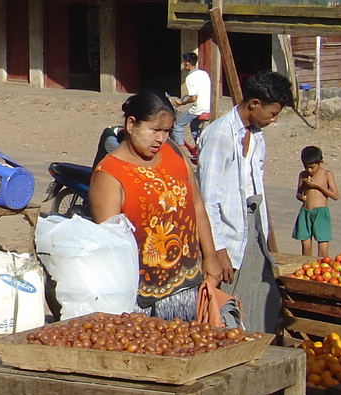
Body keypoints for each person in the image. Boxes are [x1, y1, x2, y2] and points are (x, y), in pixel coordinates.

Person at [89, 90, 222, 320]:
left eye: (166, 131)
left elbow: (197, 204)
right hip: (143, 300)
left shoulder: (175, 152)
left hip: (189, 284)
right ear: (131, 124)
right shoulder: (110, 175)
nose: (161, 139)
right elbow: (110, 250)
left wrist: (210, 256)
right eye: (154, 130)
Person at [196, 69, 294, 334]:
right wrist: (218, 249)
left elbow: (254, 184)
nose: (273, 120)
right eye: (272, 113)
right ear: (253, 104)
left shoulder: (257, 136)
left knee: (262, 300)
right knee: (226, 309)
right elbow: (207, 199)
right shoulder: (220, 135)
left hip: (252, 229)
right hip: (226, 236)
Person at [293, 145, 338, 257]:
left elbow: (335, 196)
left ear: (320, 162)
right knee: (306, 248)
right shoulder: (303, 175)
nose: (309, 170)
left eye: (312, 167)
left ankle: (322, 270)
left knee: (323, 250)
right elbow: (298, 193)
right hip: (305, 212)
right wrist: (300, 197)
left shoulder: (326, 174)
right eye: (306, 167)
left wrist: (318, 187)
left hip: (321, 213)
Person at [171, 52, 211, 152]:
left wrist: (181, 103)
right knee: (194, 126)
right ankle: (198, 148)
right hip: (207, 107)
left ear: (187, 64)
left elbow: (193, 98)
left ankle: (181, 152)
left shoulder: (190, 78)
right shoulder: (204, 73)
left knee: (177, 126)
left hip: (198, 109)